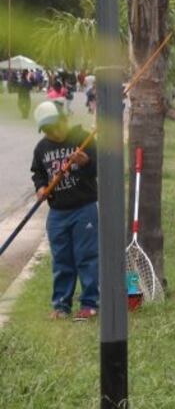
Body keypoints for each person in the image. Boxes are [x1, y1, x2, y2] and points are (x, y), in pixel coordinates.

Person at [30, 101, 99, 321]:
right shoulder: (42, 148)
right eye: (48, 130)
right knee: (61, 259)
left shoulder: (83, 139)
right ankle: (61, 305)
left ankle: (89, 303)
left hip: (84, 208)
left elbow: (99, 167)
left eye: (55, 126)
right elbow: (38, 172)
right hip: (58, 213)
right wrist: (41, 188)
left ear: (64, 119)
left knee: (86, 257)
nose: (53, 132)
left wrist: (86, 161)